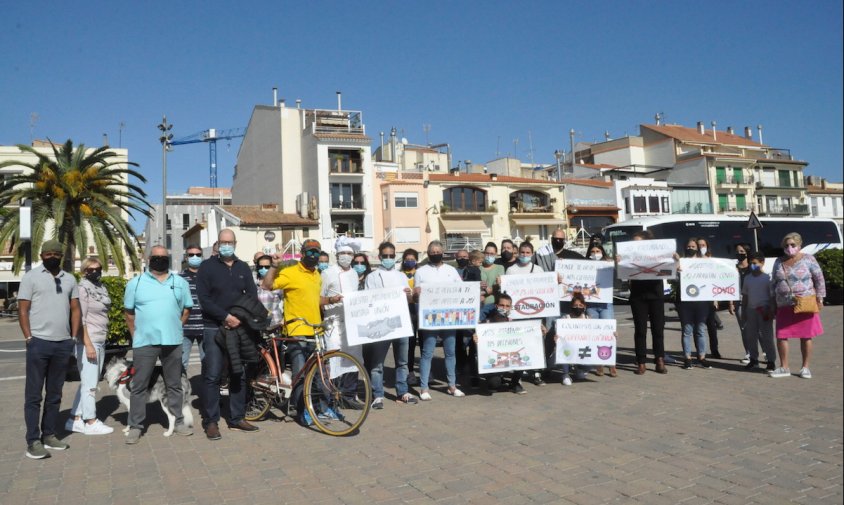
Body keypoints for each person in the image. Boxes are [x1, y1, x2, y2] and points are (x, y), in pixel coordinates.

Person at [123, 245, 194, 444]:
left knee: (174, 384)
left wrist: (176, 327)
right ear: (148, 259)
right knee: (139, 385)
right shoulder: (135, 283)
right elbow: (129, 313)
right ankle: (136, 426)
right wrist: (135, 335)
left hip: (173, 341)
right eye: (156, 257)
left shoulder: (179, 282)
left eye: (164, 257)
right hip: (145, 342)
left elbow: (186, 309)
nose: (160, 260)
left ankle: (178, 421)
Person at [19, 239, 81, 459]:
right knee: (34, 395)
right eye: (49, 253)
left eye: (57, 253)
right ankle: (33, 440)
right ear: (42, 255)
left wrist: (73, 337)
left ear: (61, 255)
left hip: (63, 344)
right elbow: (23, 309)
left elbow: (75, 309)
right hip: (39, 343)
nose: (53, 256)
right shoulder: (31, 277)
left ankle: (49, 435)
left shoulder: (70, 279)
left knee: (55, 394)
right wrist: (29, 338)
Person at [196, 229, 260, 440]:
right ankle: (211, 421)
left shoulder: (243, 267)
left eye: (230, 242)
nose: (226, 245)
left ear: (235, 243)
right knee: (213, 375)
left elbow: (251, 295)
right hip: (214, 327)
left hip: (239, 328)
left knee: (238, 373)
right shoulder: (207, 267)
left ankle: (236, 418)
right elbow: (204, 299)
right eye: (223, 242)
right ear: (217, 244)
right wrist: (225, 316)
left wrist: (240, 317)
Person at [364, 242, 417, 407]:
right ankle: (377, 395)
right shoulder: (372, 277)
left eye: (391, 256)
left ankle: (402, 392)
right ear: (379, 257)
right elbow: (369, 300)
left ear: (395, 257)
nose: (388, 258)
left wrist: (409, 295)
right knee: (377, 363)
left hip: (401, 323)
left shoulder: (401, 276)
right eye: (385, 256)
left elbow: (409, 300)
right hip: (381, 324)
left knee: (402, 361)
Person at [66, 257, 113, 435]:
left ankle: (74, 419)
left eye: (98, 268)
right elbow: (81, 319)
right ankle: (90, 421)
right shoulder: (82, 288)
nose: (95, 271)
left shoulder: (100, 287)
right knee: (91, 383)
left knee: (88, 381)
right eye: (91, 269)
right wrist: (88, 344)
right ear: (84, 270)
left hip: (100, 338)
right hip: (89, 340)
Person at [769, 232, 825, 379]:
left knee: (806, 336)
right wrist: (772, 300)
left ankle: (805, 367)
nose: (789, 248)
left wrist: (820, 298)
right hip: (783, 304)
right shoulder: (779, 261)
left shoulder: (808, 259)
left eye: (793, 245)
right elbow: (773, 282)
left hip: (804, 303)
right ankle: (784, 367)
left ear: (799, 245)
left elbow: (819, 279)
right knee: (782, 336)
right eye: (786, 245)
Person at [414, 240, 465, 400]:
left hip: (450, 316)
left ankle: (452, 385)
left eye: (438, 251)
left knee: (450, 352)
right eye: (432, 251)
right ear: (428, 253)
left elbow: (462, 290)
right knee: (427, 352)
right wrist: (416, 293)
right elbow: (415, 297)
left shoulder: (451, 270)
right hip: (430, 317)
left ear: (443, 252)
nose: (435, 253)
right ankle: (424, 388)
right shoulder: (421, 271)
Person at [320, 245, 366, 409]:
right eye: (343, 253)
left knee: (353, 357)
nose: (346, 256)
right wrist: (333, 301)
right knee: (334, 356)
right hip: (333, 321)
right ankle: (332, 396)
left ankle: (348, 396)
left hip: (351, 320)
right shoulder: (327, 273)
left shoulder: (354, 273)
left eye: (349, 253)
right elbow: (319, 298)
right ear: (337, 254)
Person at [620, 230, 668, 375]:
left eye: (638, 243)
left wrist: (674, 260)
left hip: (656, 294)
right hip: (638, 296)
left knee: (658, 329)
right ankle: (641, 362)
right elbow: (623, 274)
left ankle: (659, 359)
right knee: (640, 330)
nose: (635, 246)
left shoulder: (658, 256)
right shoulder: (629, 257)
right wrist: (619, 262)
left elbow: (667, 271)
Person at [505, 242, 548, 386]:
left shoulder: (538, 270)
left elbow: (545, 291)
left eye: (528, 253)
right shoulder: (511, 270)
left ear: (532, 253)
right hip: (518, 313)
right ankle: (519, 373)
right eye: (522, 252)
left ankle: (536, 372)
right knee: (520, 343)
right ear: (518, 253)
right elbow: (508, 293)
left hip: (535, 312)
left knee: (536, 342)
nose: (524, 255)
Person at [472, 293, 526, 394]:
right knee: (494, 384)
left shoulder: (515, 322)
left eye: (507, 306)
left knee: (523, 356)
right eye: (502, 305)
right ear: (496, 306)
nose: (504, 308)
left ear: (511, 307)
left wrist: (539, 329)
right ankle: (494, 378)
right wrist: (476, 339)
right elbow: (481, 343)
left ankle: (514, 383)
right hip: (495, 359)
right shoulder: (487, 323)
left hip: (511, 356)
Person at [678, 238, 712, 370]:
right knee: (687, 331)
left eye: (693, 246)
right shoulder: (681, 262)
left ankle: (701, 357)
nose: (691, 248)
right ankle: (687, 358)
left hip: (701, 301)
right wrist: (677, 270)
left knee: (701, 330)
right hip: (686, 301)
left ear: (697, 248)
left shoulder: (704, 261)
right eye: (689, 246)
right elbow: (673, 278)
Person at [741, 252, 777, 372]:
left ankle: (771, 361)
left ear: (762, 263)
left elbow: (772, 296)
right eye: (751, 263)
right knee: (751, 336)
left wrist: (772, 310)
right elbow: (745, 295)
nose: (752, 265)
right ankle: (753, 359)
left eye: (755, 263)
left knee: (767, 336)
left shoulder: (767, 278)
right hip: (751, 310)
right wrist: (744, 311)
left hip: (764, 310)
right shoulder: (747, 278)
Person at [585, 244, 617, 377]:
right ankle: (599, 363)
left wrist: (613, 266)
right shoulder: (584, 265)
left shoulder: (608, 264)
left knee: (609, 333)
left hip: (605, 303)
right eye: (592, 251)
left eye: (598, 251)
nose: (595, 253)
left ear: (602, 252)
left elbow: (617, 279)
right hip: (591, 304)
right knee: (596, 334)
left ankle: (611, 363)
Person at [180, 245, 205, 374]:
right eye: (191, 255)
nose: (195, 257)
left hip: (205, 327)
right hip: (185, 328)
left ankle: (207, 392)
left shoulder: (208, 277)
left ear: (202, 256)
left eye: (198, 254)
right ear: (186, 257)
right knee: (181, 363)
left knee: (207, 362)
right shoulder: (179, 278)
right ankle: (179, 392)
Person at [696, 237, 722, 358]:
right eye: (699, 245)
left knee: (711, 326)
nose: (701, 247)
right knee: (698, 327)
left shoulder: (711, 261)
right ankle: (700, 351)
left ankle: (714, 349)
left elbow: (714, 280)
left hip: (709, 297)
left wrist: (715, 299)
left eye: (703, 245)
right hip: (696, 297)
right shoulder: (692, 261)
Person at [556, 292, 589, 386]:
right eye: (575, 305)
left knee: (593, 359)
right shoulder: (565, 319)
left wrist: (612, 335)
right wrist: (556, 336)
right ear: (571, 306)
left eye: (580, 305)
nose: (578, 307)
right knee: (564, 349)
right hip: (568, 347)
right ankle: (565, 374)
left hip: (582, 347)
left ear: (584, 306)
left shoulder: (588, 319)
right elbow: (559, 333)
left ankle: (579, 369)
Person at [730, 243, 754, 364]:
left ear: (747, 252)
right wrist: (731, 303)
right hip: (739, 301)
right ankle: (749, 353)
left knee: (757, 329)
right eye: (737, 251)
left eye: (742, 251)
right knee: (744, 328)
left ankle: (765, 351)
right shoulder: (733, 268)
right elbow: (730, 286)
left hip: (753, 301)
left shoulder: (752, 267)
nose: (740, 254)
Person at [401, 249, 420, 386]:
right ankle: (410, 371)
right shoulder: (399, 274)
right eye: (407, 259)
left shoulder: (421, 273)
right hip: (407, 310)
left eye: (412, 259)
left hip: (421, 309)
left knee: (424, 341)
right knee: (410, 343)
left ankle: (427, 372)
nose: (410, 261)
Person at [254, 254, 283, 328]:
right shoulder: (252, 283)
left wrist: (284, 319)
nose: (263, 269)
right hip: (256, 324)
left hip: (276, 323)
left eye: (267, 267)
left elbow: (288, 302)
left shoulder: (278, 282)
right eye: (261, 267)